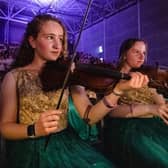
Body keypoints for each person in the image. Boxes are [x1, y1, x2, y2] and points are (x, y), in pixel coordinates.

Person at [0, 15, 147, 168]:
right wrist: (34, 129)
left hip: (65, 143)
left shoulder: (69, 75)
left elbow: (89, 117)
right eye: (50, 37)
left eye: (61, 39)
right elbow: (5, 127)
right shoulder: (14, 77)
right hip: (30, 147)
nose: (58, 45)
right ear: (32, 41)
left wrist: (118, 90)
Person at [104, 38, 168, 168]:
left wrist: (163, 107)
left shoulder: (146, 76)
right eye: (136, 52)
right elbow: (111, 111)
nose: (141, 56)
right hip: (128, 127)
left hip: (153, 121)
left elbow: (159, 102)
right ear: (124, 54)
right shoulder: (113, 77)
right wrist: (150, 108)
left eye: (144, 53)